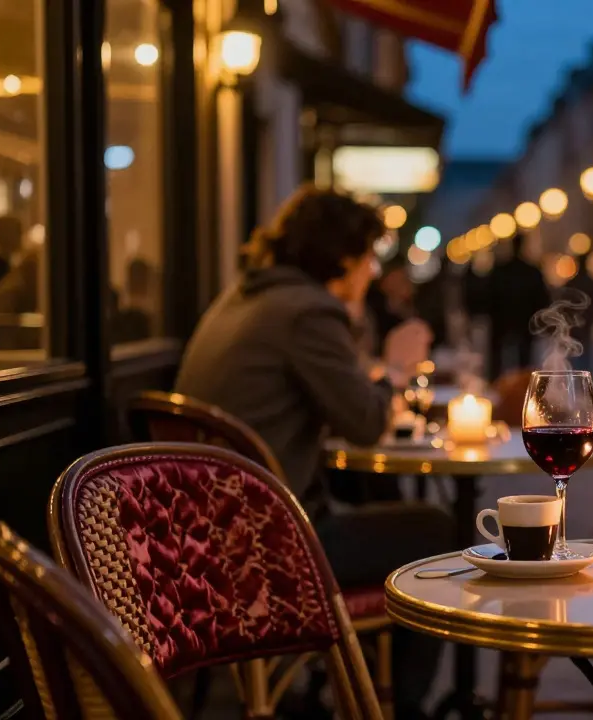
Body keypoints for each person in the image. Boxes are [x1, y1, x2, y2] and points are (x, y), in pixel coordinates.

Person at [175, 186, 453, 718]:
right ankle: (399, 705)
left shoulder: (245, 297)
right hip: (265, 549)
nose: (373, 271)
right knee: (436, 532)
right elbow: (367, 422)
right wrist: (397, 368)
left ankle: (348, 682)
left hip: (202, 538)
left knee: (380, 497)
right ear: (344, 257)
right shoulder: (309, 311)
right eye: (370, 257)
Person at [486, 233, 551, 379]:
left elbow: (489, 296)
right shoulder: (531, 271)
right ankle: (520, 387)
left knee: (500, 360)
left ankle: (503, 386)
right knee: (523, 360)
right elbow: (542, 298)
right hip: (523, 321)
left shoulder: (501, 270)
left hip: (504, 321)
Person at [563, 253, 593, 373]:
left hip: (575, 325)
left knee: (575, 352)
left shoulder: (572, 283)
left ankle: (577, 378)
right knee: (585, 352)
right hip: (586, 324)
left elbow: (563, 303)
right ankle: (584, 378)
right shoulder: (591, 283)